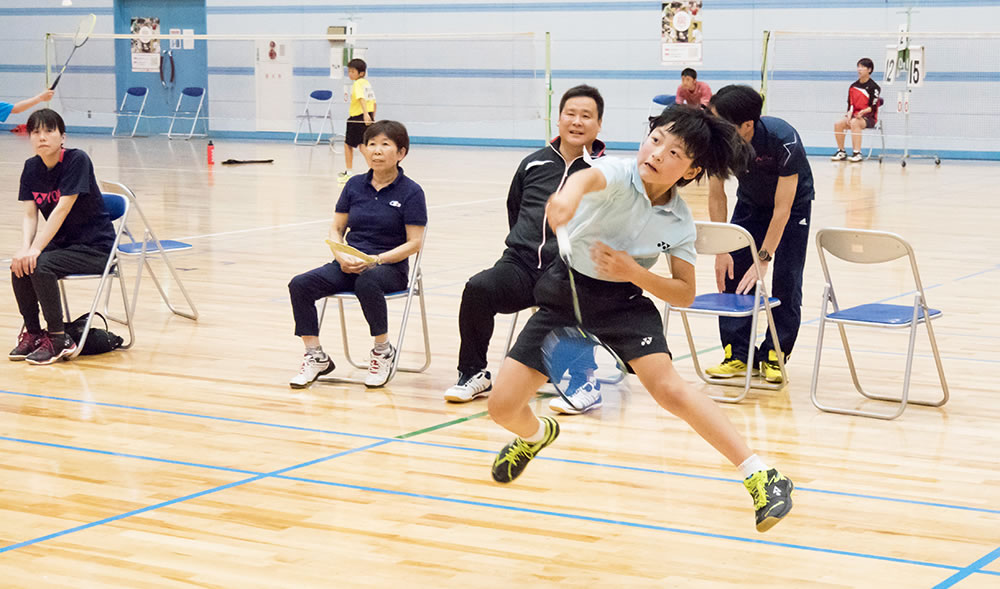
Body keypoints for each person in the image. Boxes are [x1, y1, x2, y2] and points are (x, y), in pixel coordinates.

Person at [487, 106, 794, 533]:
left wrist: (635, 272)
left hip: (624, 301)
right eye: (656, 139)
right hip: (566, 293)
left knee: (670, 391)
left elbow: (684, 291)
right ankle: (537, 436)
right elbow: (585, 178)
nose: (657, 153)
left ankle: (761, 473)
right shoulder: (617, 172)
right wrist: (567, 198)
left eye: (675, 153)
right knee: (501, 407)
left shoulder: (679, 221)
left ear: (691, 170)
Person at [443, 85, 607, 415]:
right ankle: (474, 372)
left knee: (572, 295)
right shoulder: (533, 163)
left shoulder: (605, 173)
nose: (576, 122)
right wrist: (525, 245)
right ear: (558, 119)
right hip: (520, 263)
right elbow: (515, 209)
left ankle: (584, 380)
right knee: (479, 288)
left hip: (568, 271)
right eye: (570, 114)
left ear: (599, 124)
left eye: (586, 116)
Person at [289, 120, 426, 389]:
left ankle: (382, 350)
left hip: (389, 268)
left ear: (401, 153)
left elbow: (414, 243)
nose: (376, 151)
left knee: (368, 281)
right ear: (362, 150)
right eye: (371, 144)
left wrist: (376, 260)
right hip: (348, 263)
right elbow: (337, 228)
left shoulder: (411, 192)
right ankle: (315, 355)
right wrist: (340, 256)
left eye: (385, 144)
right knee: (300, 284)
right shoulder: (353, 186)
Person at [706, 85, 814, 384]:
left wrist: (764, 258)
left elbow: (782, 209)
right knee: (732, 276)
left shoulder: (784, 140)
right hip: (750, 205)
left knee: (786, 281)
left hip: (792, 209)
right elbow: (717, 196)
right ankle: (738, 354)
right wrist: (721, 248)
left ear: (747, 125)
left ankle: (774, 355)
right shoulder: (718, 143)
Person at [9, 108, 116, 365]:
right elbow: (30, 215)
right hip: (65, 245)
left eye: (49, 131)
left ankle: (58, 338)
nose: (42, 137)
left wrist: (36, 250)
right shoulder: (31, 167)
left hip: (96, 248)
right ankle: (34, 333)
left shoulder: (77, 160)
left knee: (41, 264)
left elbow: (62, 208)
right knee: (20, 265)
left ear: (62, 137)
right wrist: (26, 249)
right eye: (36, 132)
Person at [832, 58, 881, 163]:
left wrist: (862, 112)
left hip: (869, 118)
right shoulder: (853, 86)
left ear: (869, 70)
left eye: (863, 67)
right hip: (855, 116)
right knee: (838, 124)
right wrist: (849, 114)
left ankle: (857, 153)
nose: (860, 69)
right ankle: (841, 151)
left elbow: (873, 107)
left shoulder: (874, 87)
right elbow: (850, 105)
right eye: (858, 66)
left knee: (855, 123)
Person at [339, 58, 377, 183]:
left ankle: (349, 172)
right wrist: (371, 116)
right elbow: (374, 102)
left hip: (357, 117)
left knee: (348, 144)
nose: (350, 74)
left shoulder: (357, 84)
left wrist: (365, 114)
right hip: (368, 115)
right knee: (362, 145)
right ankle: (375, 170)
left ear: (361, 73)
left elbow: (361, 99)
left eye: (352, 71)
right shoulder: (367, 84)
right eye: (348, 71)